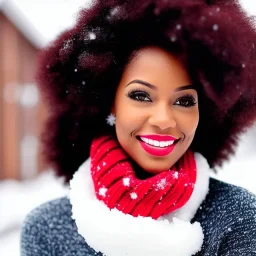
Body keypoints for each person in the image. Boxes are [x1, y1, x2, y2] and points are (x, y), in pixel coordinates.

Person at [21, 0, 256, 255]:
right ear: (109, 102)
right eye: (141, 96)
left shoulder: (235, 220)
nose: (164, 119)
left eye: (185, 100)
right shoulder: (46, 231)